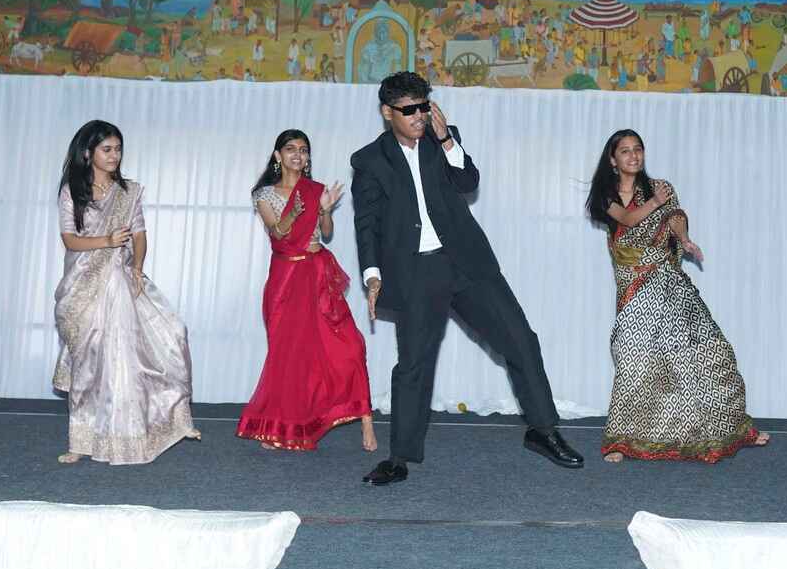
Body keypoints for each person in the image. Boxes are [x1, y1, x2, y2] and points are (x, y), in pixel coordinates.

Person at [351, 71, 583, 485]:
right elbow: (366, 223)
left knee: (521, 340)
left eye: (424, 106)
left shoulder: (443, 138)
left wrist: (445, 140)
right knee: (414, 365)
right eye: (409, 110)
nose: (419, 116)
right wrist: (372, 276)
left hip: (467, 263)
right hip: (417, 272)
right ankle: (399, 458)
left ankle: (543, 431)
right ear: (388, 113)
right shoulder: (369, 160)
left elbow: (468, 182)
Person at [585, 129, 769, 463]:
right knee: (634, 359)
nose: (633, 156)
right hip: (634, 285)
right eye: (625, 151)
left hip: (668, 281)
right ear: (613, 160)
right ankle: (621, 441)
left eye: (638, 149)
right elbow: (628, 219)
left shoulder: (660, 188)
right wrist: (655, 202)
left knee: (703, 354)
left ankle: (723, 430)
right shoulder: (605, 195)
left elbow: (674, 218)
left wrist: (684, 240)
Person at [53, 120, 199, 465]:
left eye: (118, 149)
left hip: (121, 279)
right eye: (107, 149)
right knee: (89, 365)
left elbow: (139, 234)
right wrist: (106, 240)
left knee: (162, 338)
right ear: (88, 153)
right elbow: (70, 240)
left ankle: (155, 425)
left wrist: (137, 267)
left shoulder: (128, 192)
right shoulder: (73, 191)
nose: (114, 155)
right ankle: (80, 442)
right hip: (84, 286)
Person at [237, 129, 376, 452]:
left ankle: (366, 420)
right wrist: (295, 212)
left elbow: (326, 233)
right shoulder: (264, 194)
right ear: (278, 156)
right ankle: (279, 426)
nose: (298, 155)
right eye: (291, 149)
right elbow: (278, 233)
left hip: (318, 275)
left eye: (303, 150)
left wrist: (324, 209)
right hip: (286, 280)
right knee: (289, 356)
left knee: (350, 345)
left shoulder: (315, 190)